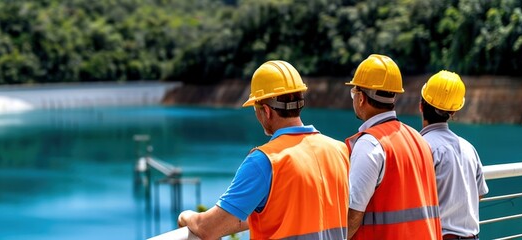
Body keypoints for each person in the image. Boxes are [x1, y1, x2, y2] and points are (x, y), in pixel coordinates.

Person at [177, 60, 350, 239]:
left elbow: (209, 228)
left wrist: (187, 216)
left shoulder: (265, 161)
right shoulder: (339, 150)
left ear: (266, 111)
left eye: (256, 109)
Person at [345, 54, 442, 239]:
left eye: (353, 92)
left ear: (360, 98)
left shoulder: (370, 144)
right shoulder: (419, 139)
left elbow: (352, 216)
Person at [419, 71, 489, 240]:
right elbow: (479, 193)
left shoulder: (421, 147)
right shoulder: (469, 148)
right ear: (453, 113)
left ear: (421, 106)